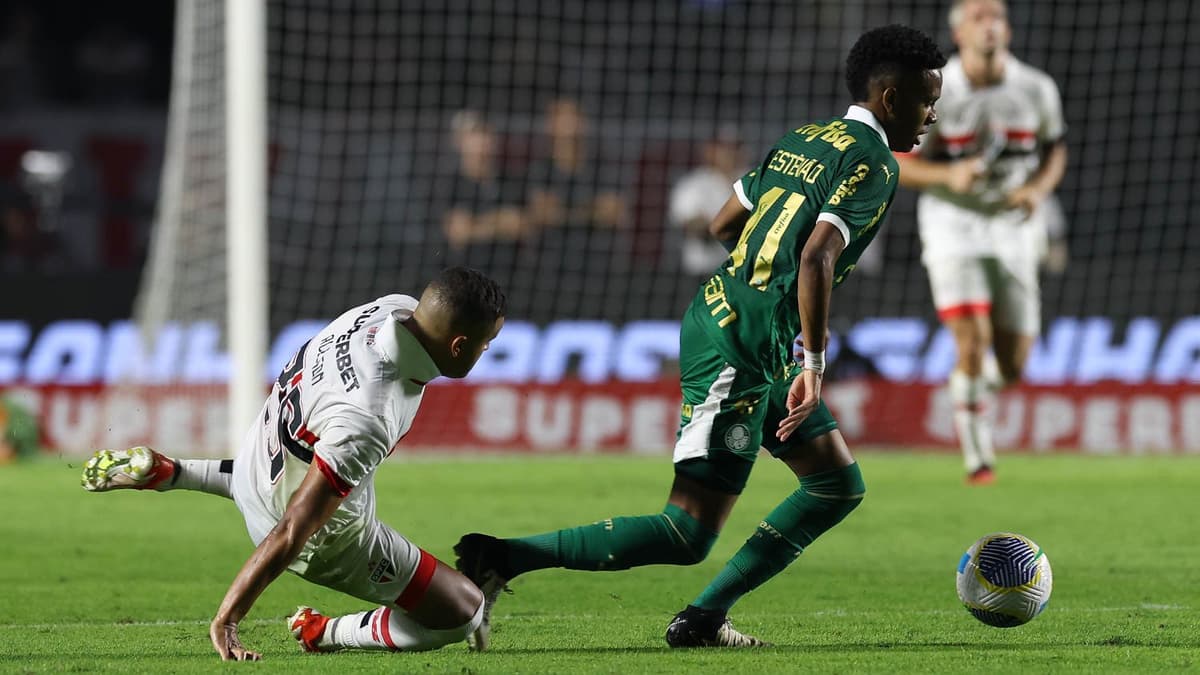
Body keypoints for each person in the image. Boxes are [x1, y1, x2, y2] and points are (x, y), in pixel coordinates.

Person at [455, 25, 946, 650]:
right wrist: (814, 361)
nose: (932, 115)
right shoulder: (876, 162)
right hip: (742, 346)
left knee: (835, 484)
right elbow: (819, 257)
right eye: (927, 100)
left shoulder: (803, 137)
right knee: (686, 531)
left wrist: (753, 283)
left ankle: (705, 619)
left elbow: (724, 222)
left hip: (736, 325)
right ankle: (498, 558)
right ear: (889, 96)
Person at [80, 267, 506, 661]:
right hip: (320, 540)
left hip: (254, 468)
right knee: (464, 612)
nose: (486, 350)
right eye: (486, 343)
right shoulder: (369, 415)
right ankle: (322, 632)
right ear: (458, 346)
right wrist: (228, 617)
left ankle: (172, 472)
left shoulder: (387, 308)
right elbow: (294, 527)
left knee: (299, 458)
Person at [895, 0, 1067, 485]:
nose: (990, 25)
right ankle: (978, 460)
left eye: (997, 17)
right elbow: (901, 163)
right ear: (960, 33)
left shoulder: (1036, 88)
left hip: (1014, 227)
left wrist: (1036, 190)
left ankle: (966, 389)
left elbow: (1056, 152)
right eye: (979, 17)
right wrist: (950, 176)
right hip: (953, 224)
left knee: (1012, 366)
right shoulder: (935, 88)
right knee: (971, 342)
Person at [439, 109, 529, 290]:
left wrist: (476, 225)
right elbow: (459, 233)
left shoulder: (512, 181)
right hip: (464, 284)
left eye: (486, 132)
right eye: (475, 133)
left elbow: (522, 225)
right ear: (459, 141)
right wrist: (502, 221)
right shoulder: (448, 185)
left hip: (511, 279)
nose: (483, 140)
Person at [667, 126, 749, 300]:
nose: (730, 153)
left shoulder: (751, 178)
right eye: (724, 148)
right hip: (702, 274)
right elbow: (694, 227)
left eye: (736, 148)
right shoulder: (693, 184)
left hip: (744, 275)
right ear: (710, 151)